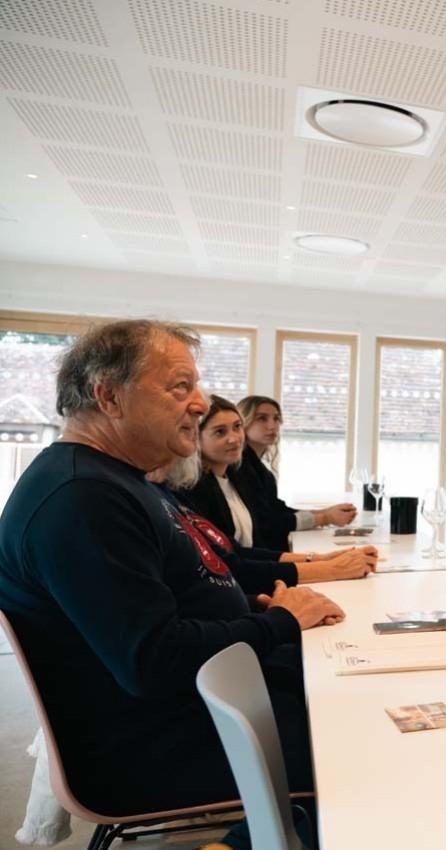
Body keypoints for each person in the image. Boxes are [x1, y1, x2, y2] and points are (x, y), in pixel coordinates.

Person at [0, 319, 344, 844]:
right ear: (109, 397)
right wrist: (277, 622)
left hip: (209, 701)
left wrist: (252, 607)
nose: (201, 402)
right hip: (155, 744)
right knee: (363, 741)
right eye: (179, 386)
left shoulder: (120, 480)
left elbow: (176, 594)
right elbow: (154, 661)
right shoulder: (80, 498)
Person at [175, 397, 377, 584]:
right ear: (195, 437)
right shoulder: (194, 489)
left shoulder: (232, 477)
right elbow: (233, 561)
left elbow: (241, 551)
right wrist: (330, 567)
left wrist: (318, 559)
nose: (234, 439)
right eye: (220, 432)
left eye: (237, 427)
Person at [234, 395, 356, 552]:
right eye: (262, 419)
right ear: (243, 422)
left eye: (276, 419)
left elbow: (278, 510)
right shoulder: (241, 467)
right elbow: (268, 522)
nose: (272, 426)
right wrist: (325, 518)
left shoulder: (259, 469)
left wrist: (327, 513)